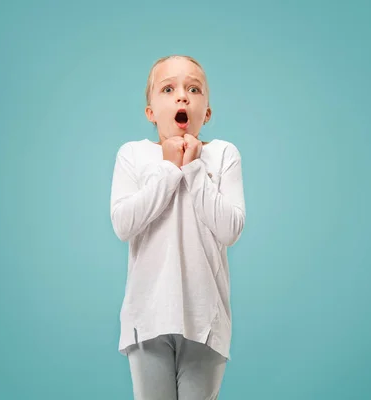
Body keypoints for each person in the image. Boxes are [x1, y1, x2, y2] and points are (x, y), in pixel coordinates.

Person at [109, 55, 246, 400]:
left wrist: (195, 167)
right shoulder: (133, 155)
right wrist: (170, 169)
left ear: (207, 112)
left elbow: (230, 229)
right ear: (150, 111)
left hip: (207, 321)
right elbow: (124, 224)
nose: (182, 96)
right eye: (168, 88)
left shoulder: (224, 154)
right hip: (148, 317)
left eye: (193, 89)